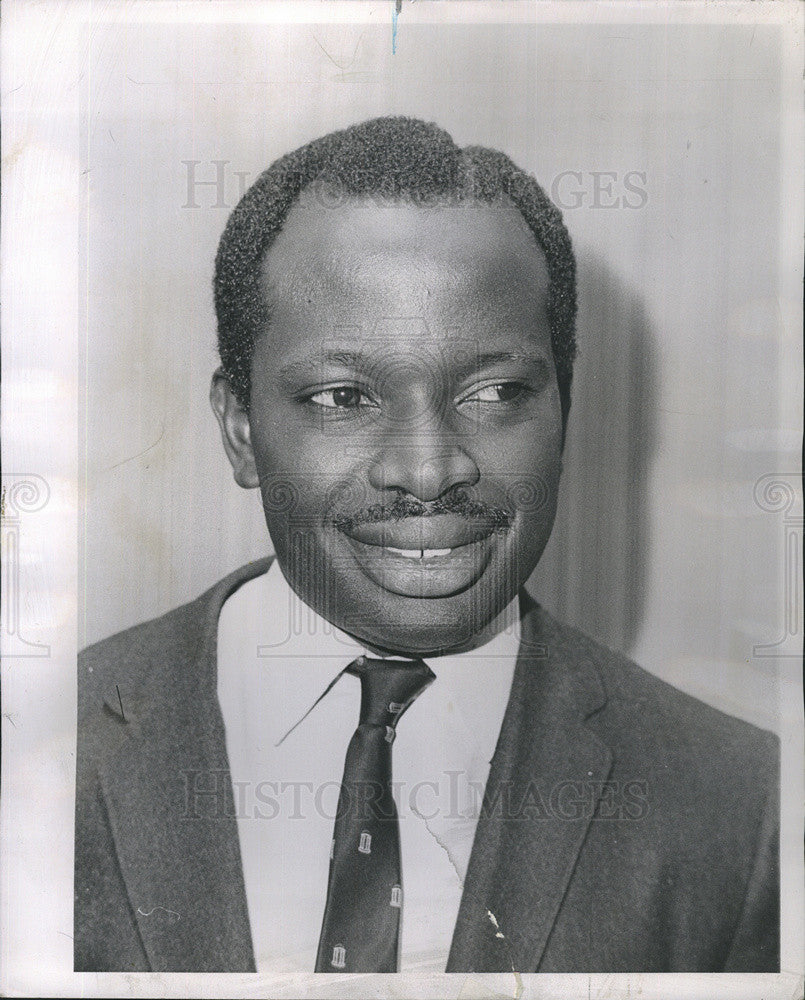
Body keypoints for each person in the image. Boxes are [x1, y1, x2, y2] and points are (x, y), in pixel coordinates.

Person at [75, 116, 779, 974]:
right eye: (342, 396)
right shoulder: (51, 739)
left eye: (493, 391)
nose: (427, 469)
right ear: (239, 429)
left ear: (564, 407)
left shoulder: (740, 807)